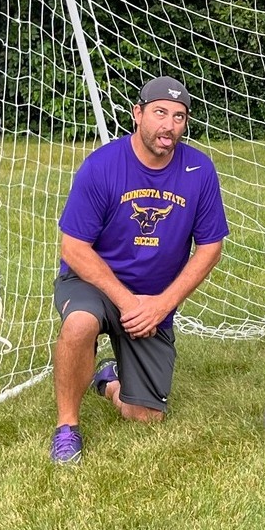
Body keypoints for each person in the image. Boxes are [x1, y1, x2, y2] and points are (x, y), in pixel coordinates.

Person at [50, 75, 229, 463]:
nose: (169, 125)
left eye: (179, 117)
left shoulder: (199, 170)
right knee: (79, 323)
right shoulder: (102, 167)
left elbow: (210, 247)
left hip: (153, 302)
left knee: (146, 417)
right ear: (138, 114)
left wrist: (162, 305)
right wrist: (127, 303)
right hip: (93, 284)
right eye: (160, 113)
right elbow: (74, 247)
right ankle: (67, 428)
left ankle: (109, 381)